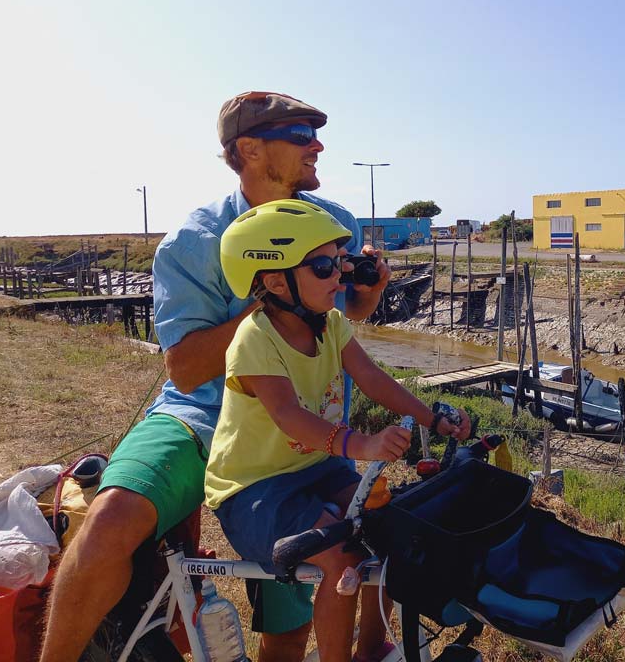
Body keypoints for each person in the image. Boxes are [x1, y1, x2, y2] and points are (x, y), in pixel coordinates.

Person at [40, 91, 391, 662]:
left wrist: (363, 294)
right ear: (249, 150)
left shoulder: (338, 223)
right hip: (198, 412)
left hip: (296, 428)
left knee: (296, 603)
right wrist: (273, 292)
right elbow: (183, 368)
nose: (319, 144)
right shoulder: (195, 241)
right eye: (301, 134)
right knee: (109, 522)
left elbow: (346, 313)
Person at [206, 199, 471, 662]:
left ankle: (371, 649)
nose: (340, 277)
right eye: (325, 266)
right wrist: (362, 444)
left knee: (389, 528)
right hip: (253, 490)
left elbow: (373, 379)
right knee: (342, 556)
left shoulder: (330, 325)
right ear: (273, 280)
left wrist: (434, 418)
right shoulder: (254, 339)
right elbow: (289, 415)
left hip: (317, 469)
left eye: (340, 263)